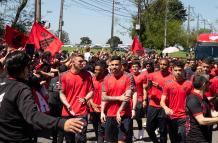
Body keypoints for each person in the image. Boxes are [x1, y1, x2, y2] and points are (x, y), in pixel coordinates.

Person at [0, 51, 84, 143]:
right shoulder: (21, 89)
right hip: (16, 138)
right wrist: (61, 123)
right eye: (28, 67)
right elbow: (32, 115)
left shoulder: (2, 81)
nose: (30, 70)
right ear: (24, 69)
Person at [59, 53, 94, 143]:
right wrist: (67, 105)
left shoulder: (87, 75)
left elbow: (91, 91)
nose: (82, 63)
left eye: (83, 61)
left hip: (82, 112)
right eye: (80, 61)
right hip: (67, 112)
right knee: (69, 139)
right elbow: (61, 93)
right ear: (73, 62)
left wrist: (85, 98)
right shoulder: (63, 76)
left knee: (80, 139)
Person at [101, 55, 135, 143]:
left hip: (124, 115)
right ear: (109, 66)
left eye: (116, 64)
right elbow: (103, 97)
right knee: (111, 141)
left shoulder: (128, 77)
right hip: (110, 115)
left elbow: (127, 97)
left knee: (122, 141)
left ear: (121, 65)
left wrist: (119, 110)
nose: (114, 67)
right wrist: (102, 112)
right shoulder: (106, 78)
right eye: (112, 65)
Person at [160, 60, 193, 143]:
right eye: (176, 70)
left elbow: (193, 100)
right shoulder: (168, 84)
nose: (178, 72)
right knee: (173, 140)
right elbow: (162, 101)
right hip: (171, 117)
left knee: (182, 139)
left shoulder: (189, 84)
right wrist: (165, 108)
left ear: (183, 70)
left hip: (184, 117)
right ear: (172, 70)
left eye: (180, 70)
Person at [185, 75, 218, 143]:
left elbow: (211, 113)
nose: (209, 86)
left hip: (205, 136)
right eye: (208, 84)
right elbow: (202, 121)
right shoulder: (193, 99)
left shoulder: (203, 97)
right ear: (203, 84)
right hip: (196, 139)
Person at [146, 58, 171, 143]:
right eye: (161, 64)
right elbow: (147, 89)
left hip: (164, 106)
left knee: (163, 131)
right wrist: (148, 86)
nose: (162, 66)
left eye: (164, 64)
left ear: (168, 66)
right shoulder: (152, 75)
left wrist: (160, 87)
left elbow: (172, 92)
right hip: (153, 105)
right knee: (149, 128)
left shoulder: (172, 77)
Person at [89, 61, 108, 143]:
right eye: (95, 69)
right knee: (96, 128)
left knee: (102, 129)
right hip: (93, 109)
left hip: (104, 110)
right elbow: (88, 94)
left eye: (98, 70)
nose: (96, 71)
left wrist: (102, 106)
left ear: (103, 70)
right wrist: (93, 105)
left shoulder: (107, 80)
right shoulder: (92, 79)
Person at [131, 60, 147, 139]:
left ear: (139, 68)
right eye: (133, 67)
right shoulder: (129, 75)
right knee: (129, 118)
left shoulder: (143, 76)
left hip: (139, 99)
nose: (135, 68)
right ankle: (130, 134)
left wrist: (144, 100)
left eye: (136, 67)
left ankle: (141, 130)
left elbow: (144, 89)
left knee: (137, 118)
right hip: (130, 99)